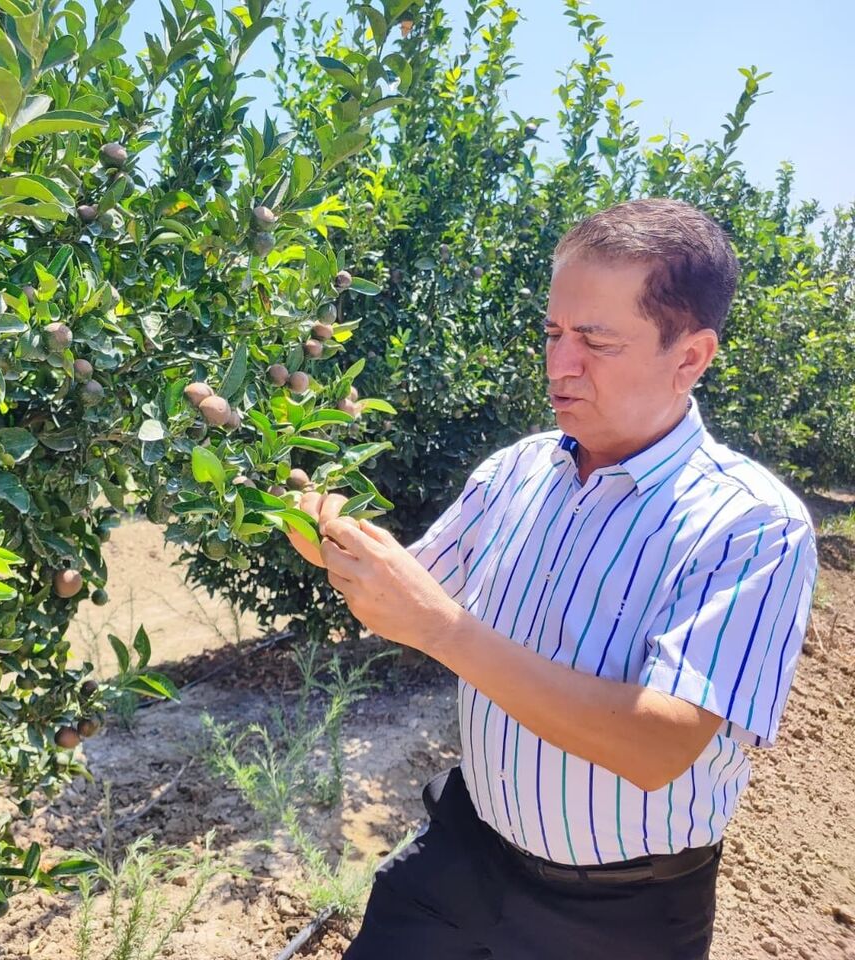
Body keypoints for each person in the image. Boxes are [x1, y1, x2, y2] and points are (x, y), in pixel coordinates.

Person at [286, 197, 818, 960]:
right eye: (554, 333)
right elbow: (410, 593)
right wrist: (333, 537)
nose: (560, 365)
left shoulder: (752, 525)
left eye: (596, 341)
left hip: (620, 916)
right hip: (464, 851)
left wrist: (441, 628)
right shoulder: (519, 469)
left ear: (690, 357)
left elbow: (657, 746)